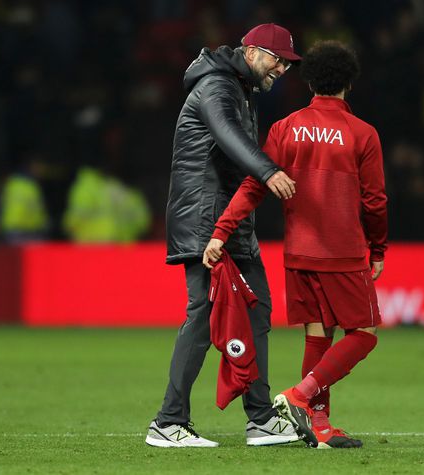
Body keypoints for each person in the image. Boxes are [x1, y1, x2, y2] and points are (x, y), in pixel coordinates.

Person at [204, 40, 387, 449]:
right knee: (365, 334)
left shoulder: (285, 128)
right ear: (349, 84)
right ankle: (301, 396)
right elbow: (375, 201)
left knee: (318, 337)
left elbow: (254, 184)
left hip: (299, 252)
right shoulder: (363, 134)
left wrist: (221, 231)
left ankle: (319, 427)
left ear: (309, 82)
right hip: (341, 251)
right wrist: (377, 249)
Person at [145, 23, 300, 448]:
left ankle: (262, 419)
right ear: (251, 52)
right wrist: (269, 171)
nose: (282, 68)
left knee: (256, 310)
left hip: (229, 220)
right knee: (204, 311)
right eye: (277, 59)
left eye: (287, 62)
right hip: (204, 219)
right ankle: (168, 421)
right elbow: (229, 139)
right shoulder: (216, 85)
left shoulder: (237, 87)